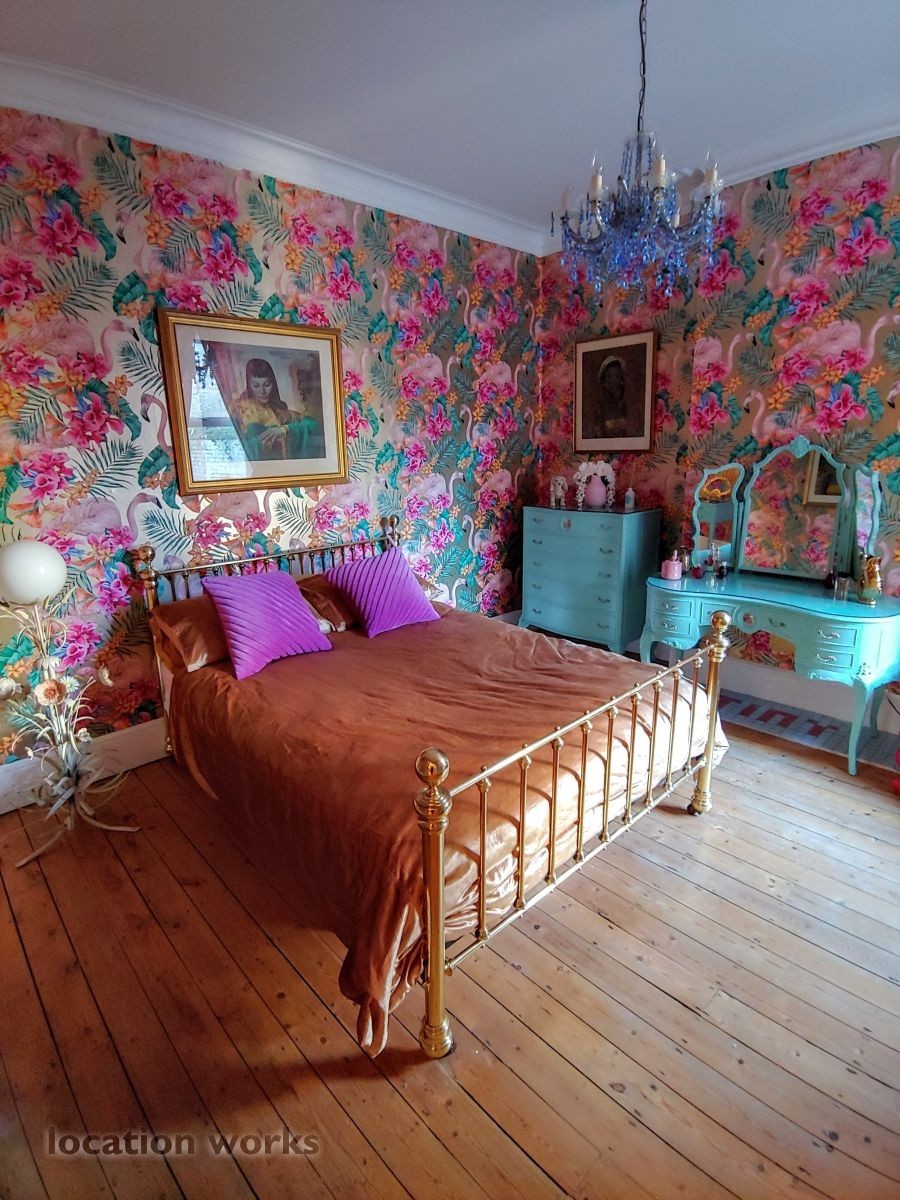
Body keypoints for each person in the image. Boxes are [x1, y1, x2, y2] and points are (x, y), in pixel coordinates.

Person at [231, 358, 323, 461]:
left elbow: (315, 425)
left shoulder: (281, 413)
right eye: (256, 386)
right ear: (249, 385)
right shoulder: (239, 411)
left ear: (273, 384)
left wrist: (286, 429)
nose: (263, 391)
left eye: (267, 385)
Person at [581, 354, 643, 441]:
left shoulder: (628, 397)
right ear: (604, 380)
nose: (613, 380)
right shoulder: (601, 402)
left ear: (621, 378)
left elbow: (633, 423)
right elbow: (598, 429)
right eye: (609, 376)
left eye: (616, 376)